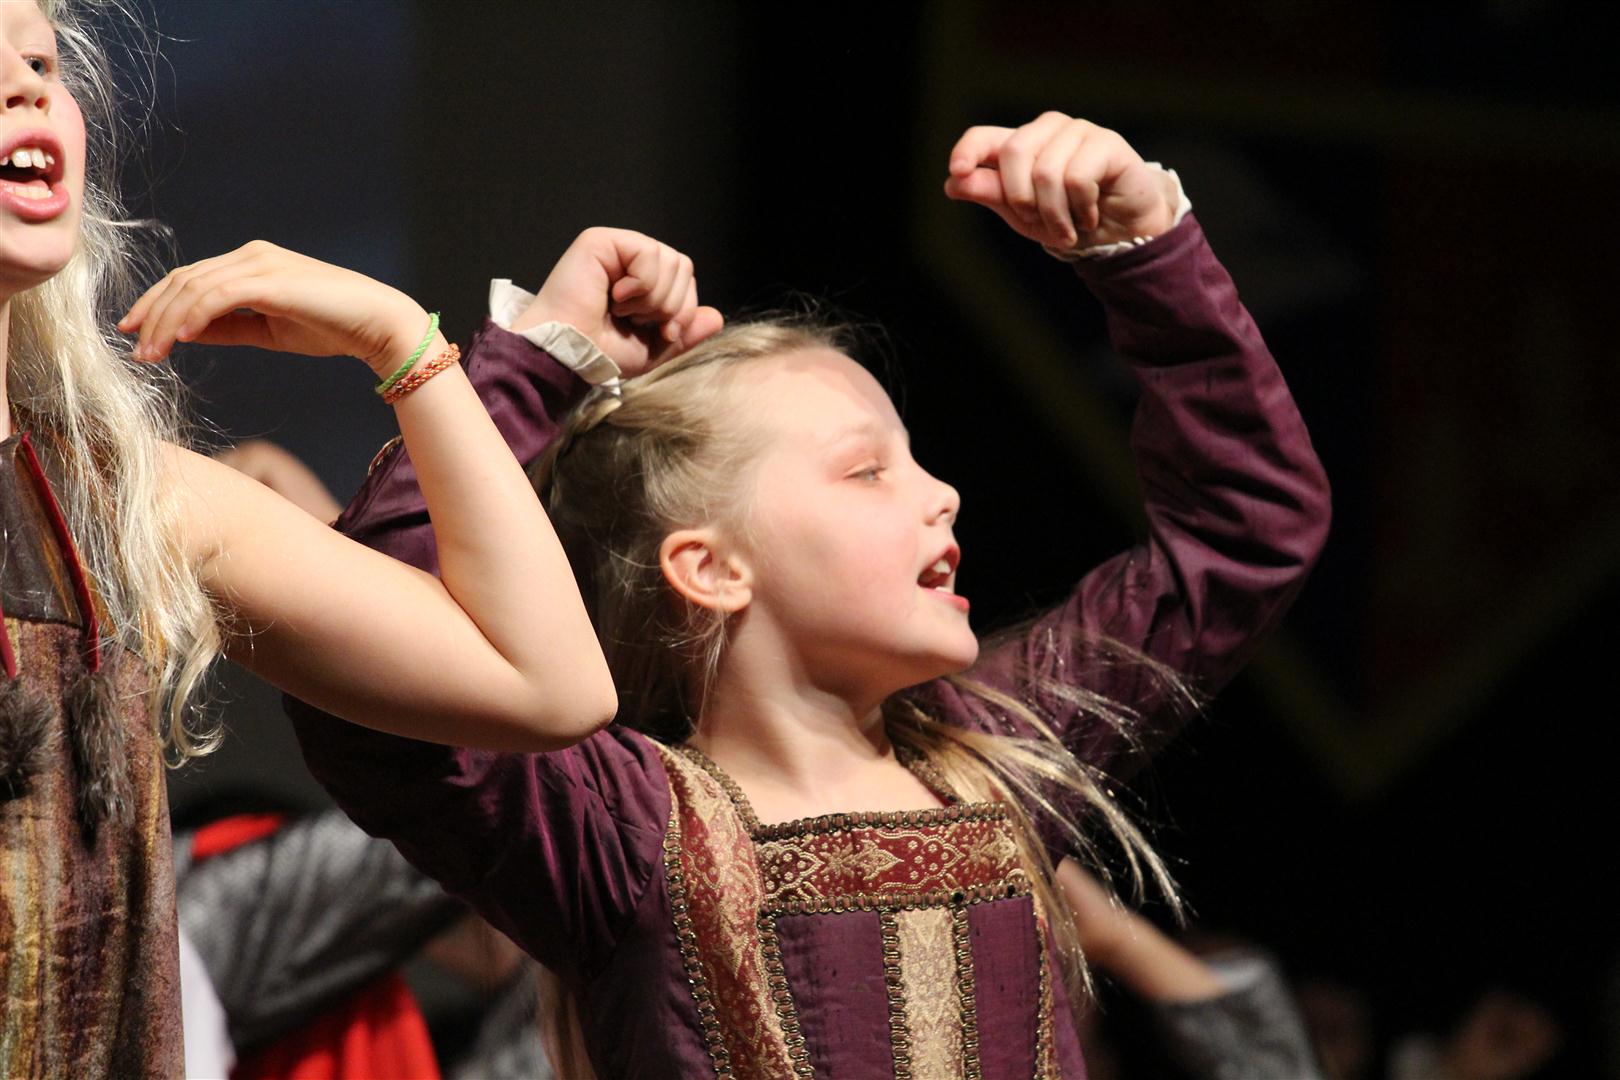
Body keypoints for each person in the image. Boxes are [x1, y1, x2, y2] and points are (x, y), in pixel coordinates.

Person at [290, 111, 1332, 1076]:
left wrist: (1146, 252)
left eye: (915, 461)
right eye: (867, 470)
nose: (944, 494)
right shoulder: (622, 831)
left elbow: (1243, 531)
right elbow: (381, 673)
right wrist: (533, 365)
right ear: (710, 568)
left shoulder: (1004, 758)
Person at [0, 3, 622, 1074]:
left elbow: (546, 682)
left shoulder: (117, 496)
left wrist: (402, 345)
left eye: (43, 61)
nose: (29, 89)